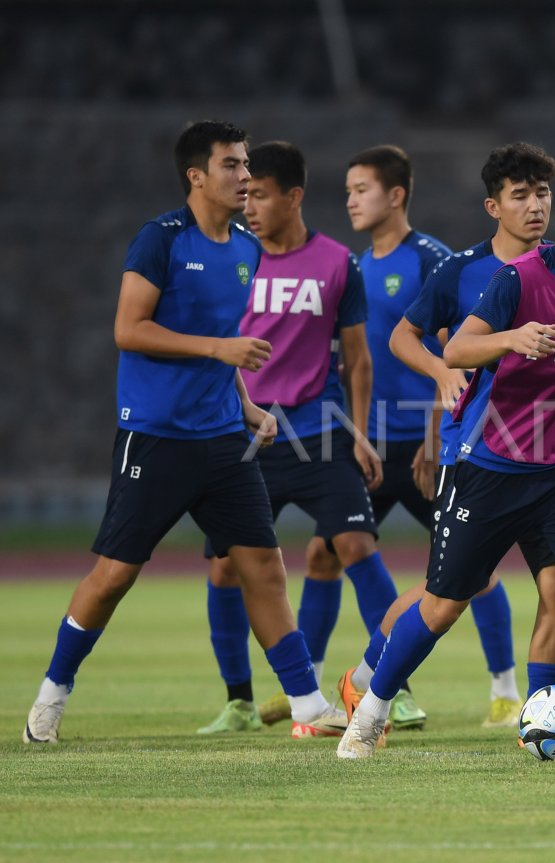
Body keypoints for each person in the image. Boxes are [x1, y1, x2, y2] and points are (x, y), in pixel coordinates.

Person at [22, 120, 344, 745]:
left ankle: (306, 703)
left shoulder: (247, 249)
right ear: (197, 175)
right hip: (157, 436)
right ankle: (51, 698)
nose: (244, 176)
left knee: (264, 566)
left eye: (246, 164)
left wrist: (248, 406)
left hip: (224, 438)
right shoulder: (160, 240)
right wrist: (219, 349)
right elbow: (128, 329)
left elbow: (220, 356)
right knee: (115, 575)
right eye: (231, 165)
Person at [336, 164, 555, 762]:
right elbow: (454, 348)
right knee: (443, 604)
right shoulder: (517, 280)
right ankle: (369, 713)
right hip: (490, 465)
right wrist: (512, 338)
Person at [307, 143, 520, 730]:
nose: (349, 199)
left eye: (361, 189)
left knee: (473, 572)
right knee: (325, 554)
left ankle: (504, 690)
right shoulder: (355, 266)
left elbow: (448, 352)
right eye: (347, 190)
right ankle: (324, 692)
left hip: (424, 444)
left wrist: (434, 437)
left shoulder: (433, 259)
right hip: (368, 444)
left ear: (396, 194)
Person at [194, 141, 401, 737]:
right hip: (243, 434)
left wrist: (359, 433)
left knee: (356, 545)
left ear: (293, 196)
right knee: (226, 569)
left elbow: (358, 360)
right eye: (244, 194)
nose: (248, 206)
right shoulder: (231, 257)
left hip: (316, 431)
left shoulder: (339, 262)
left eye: (258, 194)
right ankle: (237, 700)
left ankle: (394, 683)